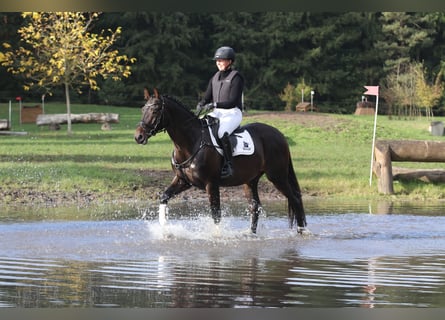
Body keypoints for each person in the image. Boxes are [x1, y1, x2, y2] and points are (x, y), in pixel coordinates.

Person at [197, 46, 244, 178]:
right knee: (201, 127)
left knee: (222, 133)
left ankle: (228, 165)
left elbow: (233, 101)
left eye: (221, 60)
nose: (218, 62)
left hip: (232, 112)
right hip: (217, 112)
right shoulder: (215, 77)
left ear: (229, 61)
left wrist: (214, 104)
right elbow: (207, 96)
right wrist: (201, 104)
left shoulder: (236, 77)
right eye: (217, 60)